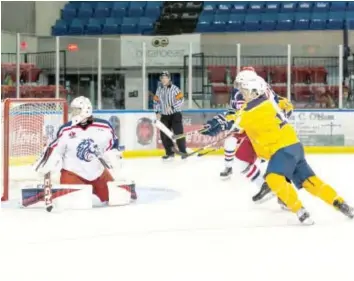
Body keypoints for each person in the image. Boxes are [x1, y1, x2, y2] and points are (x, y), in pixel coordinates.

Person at [202, 79, 353, 224]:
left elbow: (232, 120)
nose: (243, 94)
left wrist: (214, 125)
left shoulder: (251, 110)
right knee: (310, 182)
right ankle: (340, 203)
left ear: (254, 92)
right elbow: (239, 121)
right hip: (294, 146)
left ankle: (300, 211)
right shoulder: (268, 103)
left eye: (245, 91)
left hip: (282, 150)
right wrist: (217, 125)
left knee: (273, 179)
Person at [35, 96, 137, 205]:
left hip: (98, 174)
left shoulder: (104, 127)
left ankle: (126, 188)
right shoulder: (65, 130)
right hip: (73, 174)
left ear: (86, 110)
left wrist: (113, 156)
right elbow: (54, 149)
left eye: (76, 110)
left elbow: (113, 146)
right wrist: (47, 163)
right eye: (73, 110)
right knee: (72, 204)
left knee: (117, 199)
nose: (73, 113)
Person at [153, 71, 186, 160]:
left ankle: (183, 152)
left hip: (175, 114)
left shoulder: (175, 89)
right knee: (164, 134)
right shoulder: (159, 89)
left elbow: (182, 100)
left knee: (178, 134)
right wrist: (157, 112)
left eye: (165, 78)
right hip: (164, 115)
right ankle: (170, 153)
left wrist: (172, 106)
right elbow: (156, 101)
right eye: (162, 78)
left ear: (169, 79)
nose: (163, 79)